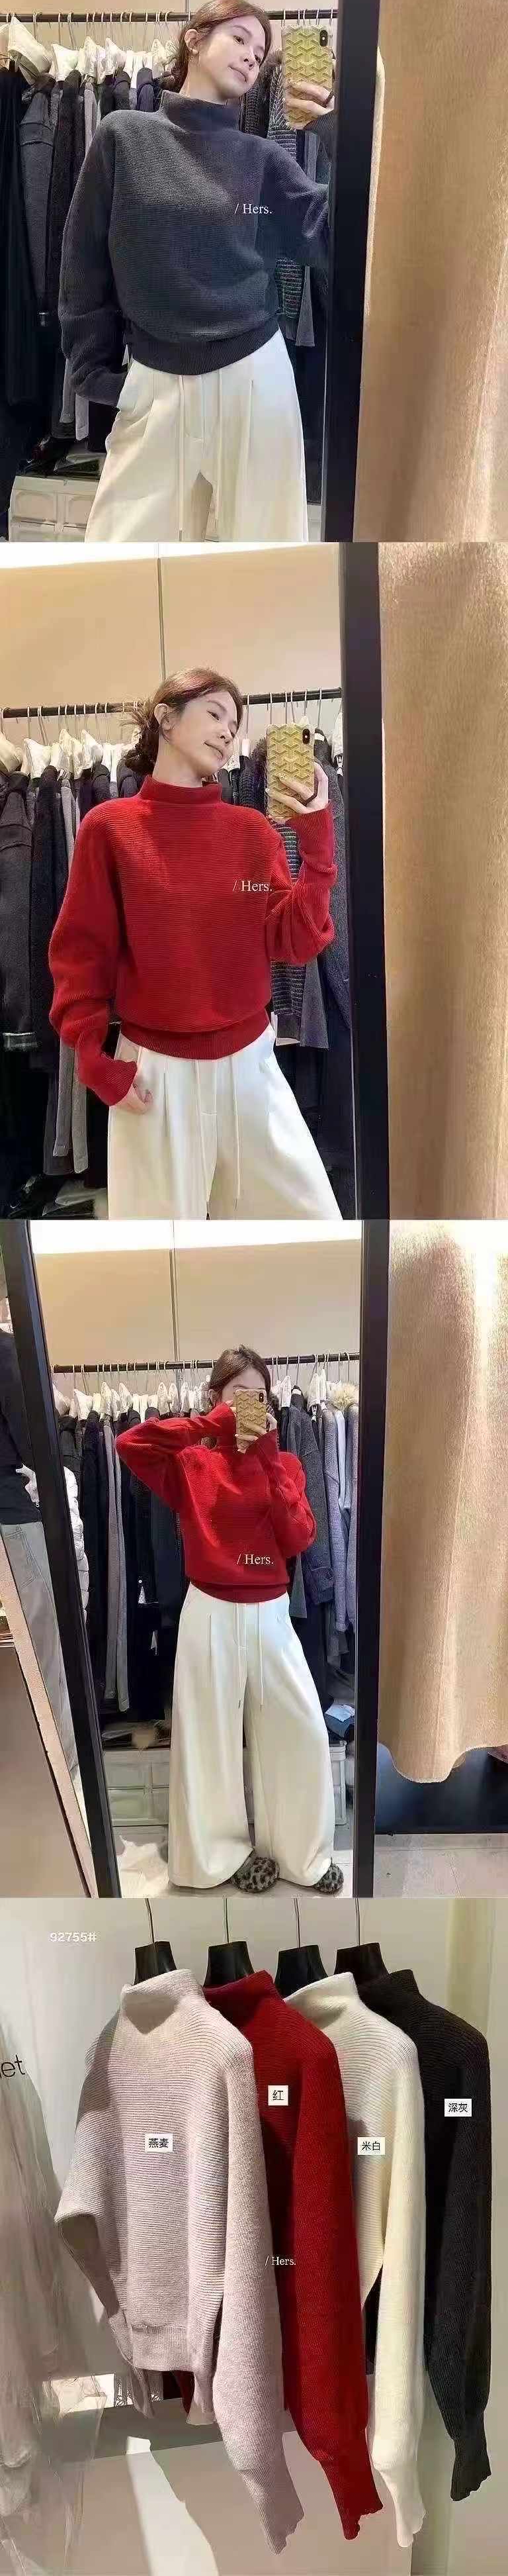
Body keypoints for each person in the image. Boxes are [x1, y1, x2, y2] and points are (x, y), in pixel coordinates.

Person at [49, 669, 341, 1224]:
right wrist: (91, 1058)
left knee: (312, 1230)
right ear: (165, 716)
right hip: (154, 1074)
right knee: (157, 1253)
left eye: (235, 724)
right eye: (214, 714)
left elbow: (294, 940)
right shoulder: (109, 828)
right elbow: (81, 953)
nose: (229, 732)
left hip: (251, 1065)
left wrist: (317, 849)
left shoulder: (253, 832)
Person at [58, 0, 331, 543]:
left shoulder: (263, 159)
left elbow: (332, 240)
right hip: (154, 379)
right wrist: (95, 374)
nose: (252, 57)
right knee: (119, 555)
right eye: (239, 38)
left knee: (266, 556)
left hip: (254, 372)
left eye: (260, 53)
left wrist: (338, 132)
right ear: (194, 39)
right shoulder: (122, 135)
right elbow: (83, 262)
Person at [118, 1345, 337, 1884]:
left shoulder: (284, 1464)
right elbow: (130, 1444)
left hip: (271, 1613)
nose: (248, 1406)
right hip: (210, 1610)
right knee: (207, 1740)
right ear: (216, 1396)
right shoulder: (193, 1463)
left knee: (303, 1731)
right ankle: (220, 1859)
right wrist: (209, 1425)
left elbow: (300, 1537)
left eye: (259, 1397)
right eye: (238, 1394)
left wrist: (269, 1457)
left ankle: (302, 1857)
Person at [0, 1307, 89, 1803]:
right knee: (45, 1659)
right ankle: (63, 1794)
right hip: (14, 1524)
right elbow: (37, 1448)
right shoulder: (4, 1351)